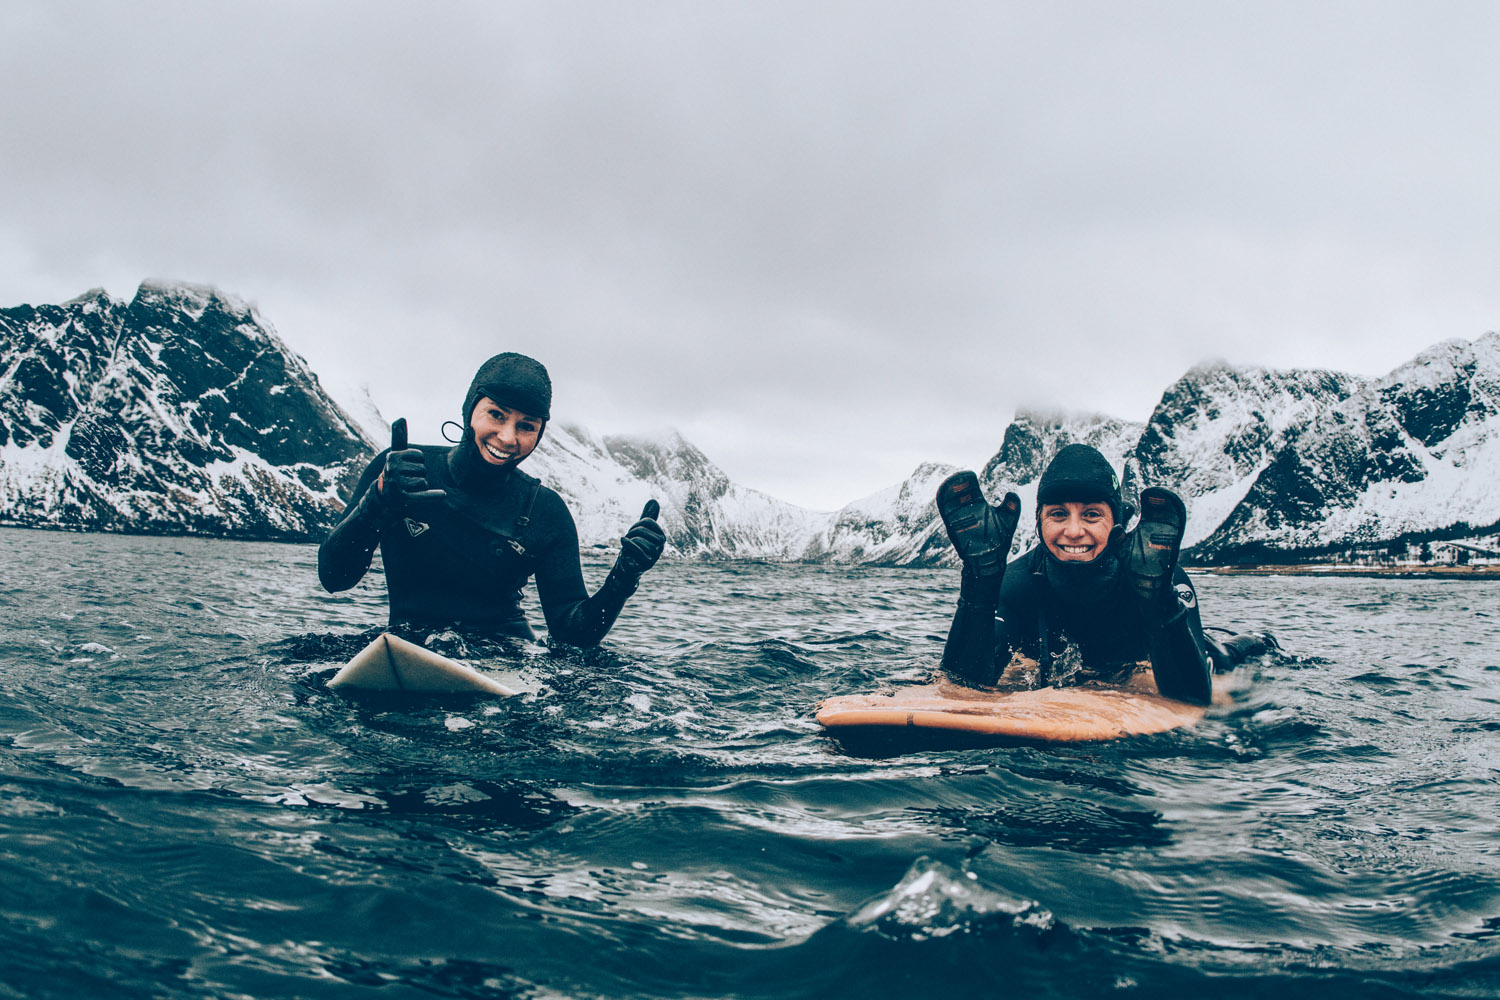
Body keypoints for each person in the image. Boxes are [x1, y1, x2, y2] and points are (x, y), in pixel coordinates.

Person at [318, 352, 665, 645]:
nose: (508, 437)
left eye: (527, 426)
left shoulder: (546, 511)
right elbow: (334, 578)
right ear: (470, 410)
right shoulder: (399, 471)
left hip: (506, 663)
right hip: (405, 652)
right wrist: (377, 502)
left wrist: (623, 577)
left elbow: (571, 635)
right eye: (496, 415)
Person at [934, 443, 1271, 705]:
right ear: (1039, 522)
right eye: (1058, 514)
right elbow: (961, 688)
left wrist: (1159, 599)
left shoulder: (1153, 575)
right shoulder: (1016, 584)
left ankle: (1258, 640)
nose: (1073, 531)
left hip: (1169, 657)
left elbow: (1192, 700)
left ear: (1117, 521)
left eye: (1092, 514)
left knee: (1222, 660)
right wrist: (980, 581)